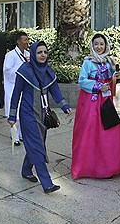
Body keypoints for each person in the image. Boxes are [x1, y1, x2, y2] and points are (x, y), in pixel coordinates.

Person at [7, 41, 72, 193]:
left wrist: (64, 106)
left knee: (37, 143)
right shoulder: (25, 70)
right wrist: (12, 115)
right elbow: (16, 93)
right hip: (28, 113)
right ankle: (47, 182)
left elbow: (55, 90)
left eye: (45, 52)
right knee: (37, 146)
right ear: (33, 54)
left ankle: (26, 170)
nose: (43, 55)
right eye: (39, 52)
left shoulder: (48, 71)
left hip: (43, 114)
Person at [71, 33, 120, 179]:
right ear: (92, 46)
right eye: (96, 44)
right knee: (89, 132)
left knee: (108, 132)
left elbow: (111, 80)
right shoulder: (88, 62)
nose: (99, 47)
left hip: (105, 102)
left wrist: (115, 78)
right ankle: (88, 166)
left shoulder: (109, 62)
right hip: (90, 101)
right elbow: (82, 81)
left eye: (101, 44)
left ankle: (110, 166)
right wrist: (99, 86)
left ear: (106, 45)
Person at [4, 31, 29, 145]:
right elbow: (7, 71)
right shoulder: (10, 55)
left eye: (27, 40)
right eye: (24, 40)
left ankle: (22, 134)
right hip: (12, 86)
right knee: (14, 113)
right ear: (18, 42)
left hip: (25, 87)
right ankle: (15, 136)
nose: (27, 42)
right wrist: (22, 68)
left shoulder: (28, 54)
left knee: (23, 113)